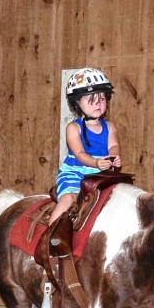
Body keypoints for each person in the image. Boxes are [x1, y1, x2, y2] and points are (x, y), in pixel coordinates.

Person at [48, 68, 122, 226]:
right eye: (91, 100)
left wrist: (114, 157)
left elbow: (114, 145)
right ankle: (50, 235)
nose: (98, 103)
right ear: (77, 103)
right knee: (69, 198)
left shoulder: (110, 126)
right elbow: (80, 153)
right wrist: (96, 163)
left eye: (102, 98)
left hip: (101, 176)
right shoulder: (73, 128)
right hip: (75, 174)